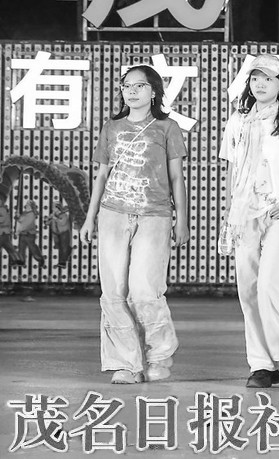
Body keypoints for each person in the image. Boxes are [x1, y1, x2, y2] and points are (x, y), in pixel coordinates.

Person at [79, 65, 188, 384]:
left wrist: (182, 220)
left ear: (153, 92)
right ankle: (125, 363)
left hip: (154, 215)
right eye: (126, 85)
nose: (132, 91)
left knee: (144, 290)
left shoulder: (168, 128)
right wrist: (90, 217)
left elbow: (177, 178)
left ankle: (159, 354)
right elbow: (101, 176)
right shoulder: (112, 127)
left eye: (139, 86)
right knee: (113, 292)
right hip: (112, 214)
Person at [219, 54, 279, 389]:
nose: (260, 84)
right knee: (247, 289)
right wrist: (231, 210)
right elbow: (232, 168)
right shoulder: (237, 121)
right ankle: (262, 365)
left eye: (267, 78)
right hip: (244, 213)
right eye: (254, 78)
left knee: (270, 285)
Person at [46, 202, 74, 268]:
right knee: (61, 248)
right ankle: (67, 253)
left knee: (64, 248)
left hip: (65, 233)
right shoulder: (54, 215)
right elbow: (47, 223)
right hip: (58, 234)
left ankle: (62, 262)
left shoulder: (63, 215)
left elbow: (62, 223)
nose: (52, 209)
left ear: (58, 208)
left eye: (54, 207)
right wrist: (49, 218)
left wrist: (56, 218)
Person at [15, 201, 42, 266]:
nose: (26, 206)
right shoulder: (25, 212)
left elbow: (26, 224)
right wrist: (18, 216)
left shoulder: (31, 214)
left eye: (28, 205)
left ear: (31, 206)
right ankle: (22, 261)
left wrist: (19, 230)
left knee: (33, 249)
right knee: (21, 248)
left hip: (29, 234)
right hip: (23, 234)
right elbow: (20, 220)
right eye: (26, 204)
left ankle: (39, 259)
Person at [0, 201, 19, 266]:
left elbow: (2, 219)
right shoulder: (3, 209)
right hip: (4, 233)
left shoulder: (2, 209)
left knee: (9, 248)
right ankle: (15, 259)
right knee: (9, 248)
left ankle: (16, 259)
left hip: (2, 233)